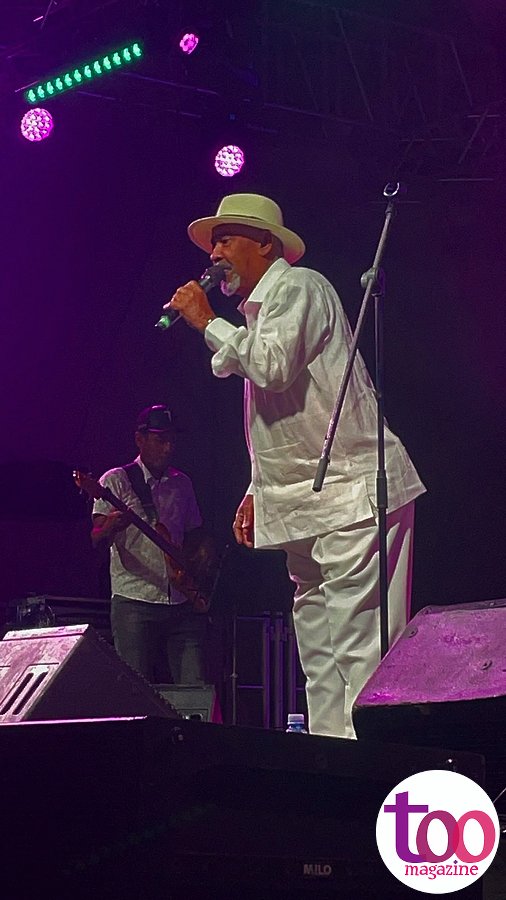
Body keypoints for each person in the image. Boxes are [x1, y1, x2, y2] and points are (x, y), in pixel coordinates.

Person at [166, 193, 426, 738]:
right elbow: (282, 415)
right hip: (305, 504)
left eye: (225, 239)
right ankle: (332, 765)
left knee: (362, 653)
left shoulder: (300, 286)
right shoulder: (262, 311)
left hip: (353, 494)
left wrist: (207, 322)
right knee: (320, 660)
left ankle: (376, 770)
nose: (214, 253)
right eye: (213, 243)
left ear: (265, 243)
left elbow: (271, 367)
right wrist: (257, 488)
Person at [91, 404, 208, 685]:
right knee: (135, 687)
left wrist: (200, 557)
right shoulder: (115, 481)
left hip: (180, 598)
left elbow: (194, 533)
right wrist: (111, 525)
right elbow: (96, 536)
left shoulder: (182, 484)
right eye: (160, 439)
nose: (168, 448)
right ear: (139, 439)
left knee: (194, 687)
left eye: (171, 440)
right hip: (134, 599)